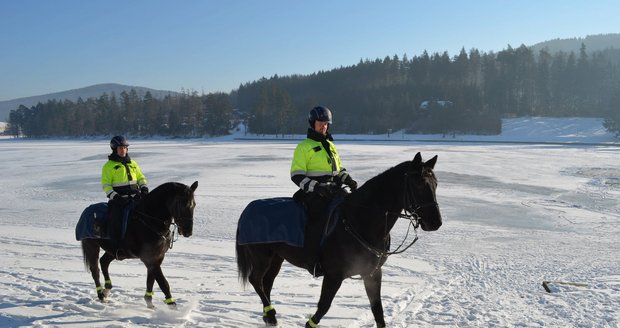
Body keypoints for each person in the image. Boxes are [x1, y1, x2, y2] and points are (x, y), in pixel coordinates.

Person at [290, 106, 358, 276]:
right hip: (313, 194)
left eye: (326, 123)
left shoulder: (330, 145)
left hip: (334, 190)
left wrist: (347, 179)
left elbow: (337, 170)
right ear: (313, 123)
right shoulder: (304, 146)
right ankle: (312, 261)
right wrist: (317, 188)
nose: (324, 126)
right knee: (320, 221)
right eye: (321, 123)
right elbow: (296, 176)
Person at [101, 135, 148, 256]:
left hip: (135, 198)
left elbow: (140, 177)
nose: (123, 150)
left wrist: (144, 187)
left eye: (125, 148)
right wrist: (116, 197)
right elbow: (106, 185)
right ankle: (118, 248)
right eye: (121, 148)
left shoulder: (133, 163)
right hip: (118, 202)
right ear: (114, 149)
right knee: (117, 221)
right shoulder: (109, 166)